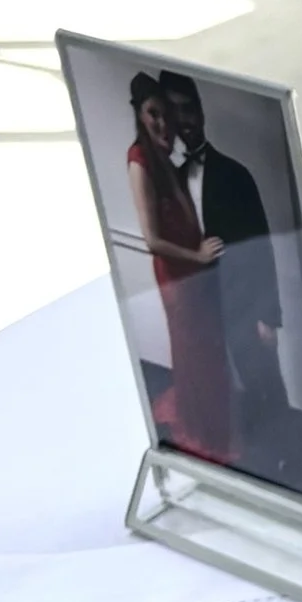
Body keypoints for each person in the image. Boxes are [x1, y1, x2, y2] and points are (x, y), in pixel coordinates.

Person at [158, 72, 285, 456]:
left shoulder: (234, 175)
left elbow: (261, 245)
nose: (184, 120)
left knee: (265, 383)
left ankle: (284, 456)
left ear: (200, 112)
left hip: (243, 306)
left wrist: (268, 314)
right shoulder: (173, 180)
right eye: (175, 112)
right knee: (216, 387)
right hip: (199, 308)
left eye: (189, 109)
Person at [124, 71, 233, 462]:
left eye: (167, 115)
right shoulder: (140, 162)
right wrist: (199, 257)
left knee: (203, 351)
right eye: (154, 113)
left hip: (194, 272)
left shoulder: (165, 159)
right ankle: (201, 428)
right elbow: (152, 240)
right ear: (139, 114)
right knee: (194, 352)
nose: (162, 123)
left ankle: (207, 416)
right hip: (178, 273)